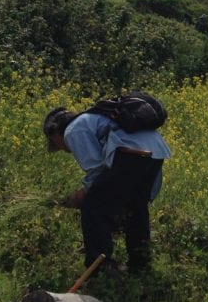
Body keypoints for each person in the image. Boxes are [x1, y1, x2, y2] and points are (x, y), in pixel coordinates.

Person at [44, 105, 171, 274]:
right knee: (135, 208)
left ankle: (100, 268)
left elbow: (98, 171)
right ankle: (140, 265)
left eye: (54, 143)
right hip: (155, 150)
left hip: (130, 153)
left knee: (93, 207)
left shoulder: (73, 130)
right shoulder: (95, 119)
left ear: (55, 132)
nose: (60, 148)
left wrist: (81, 196)